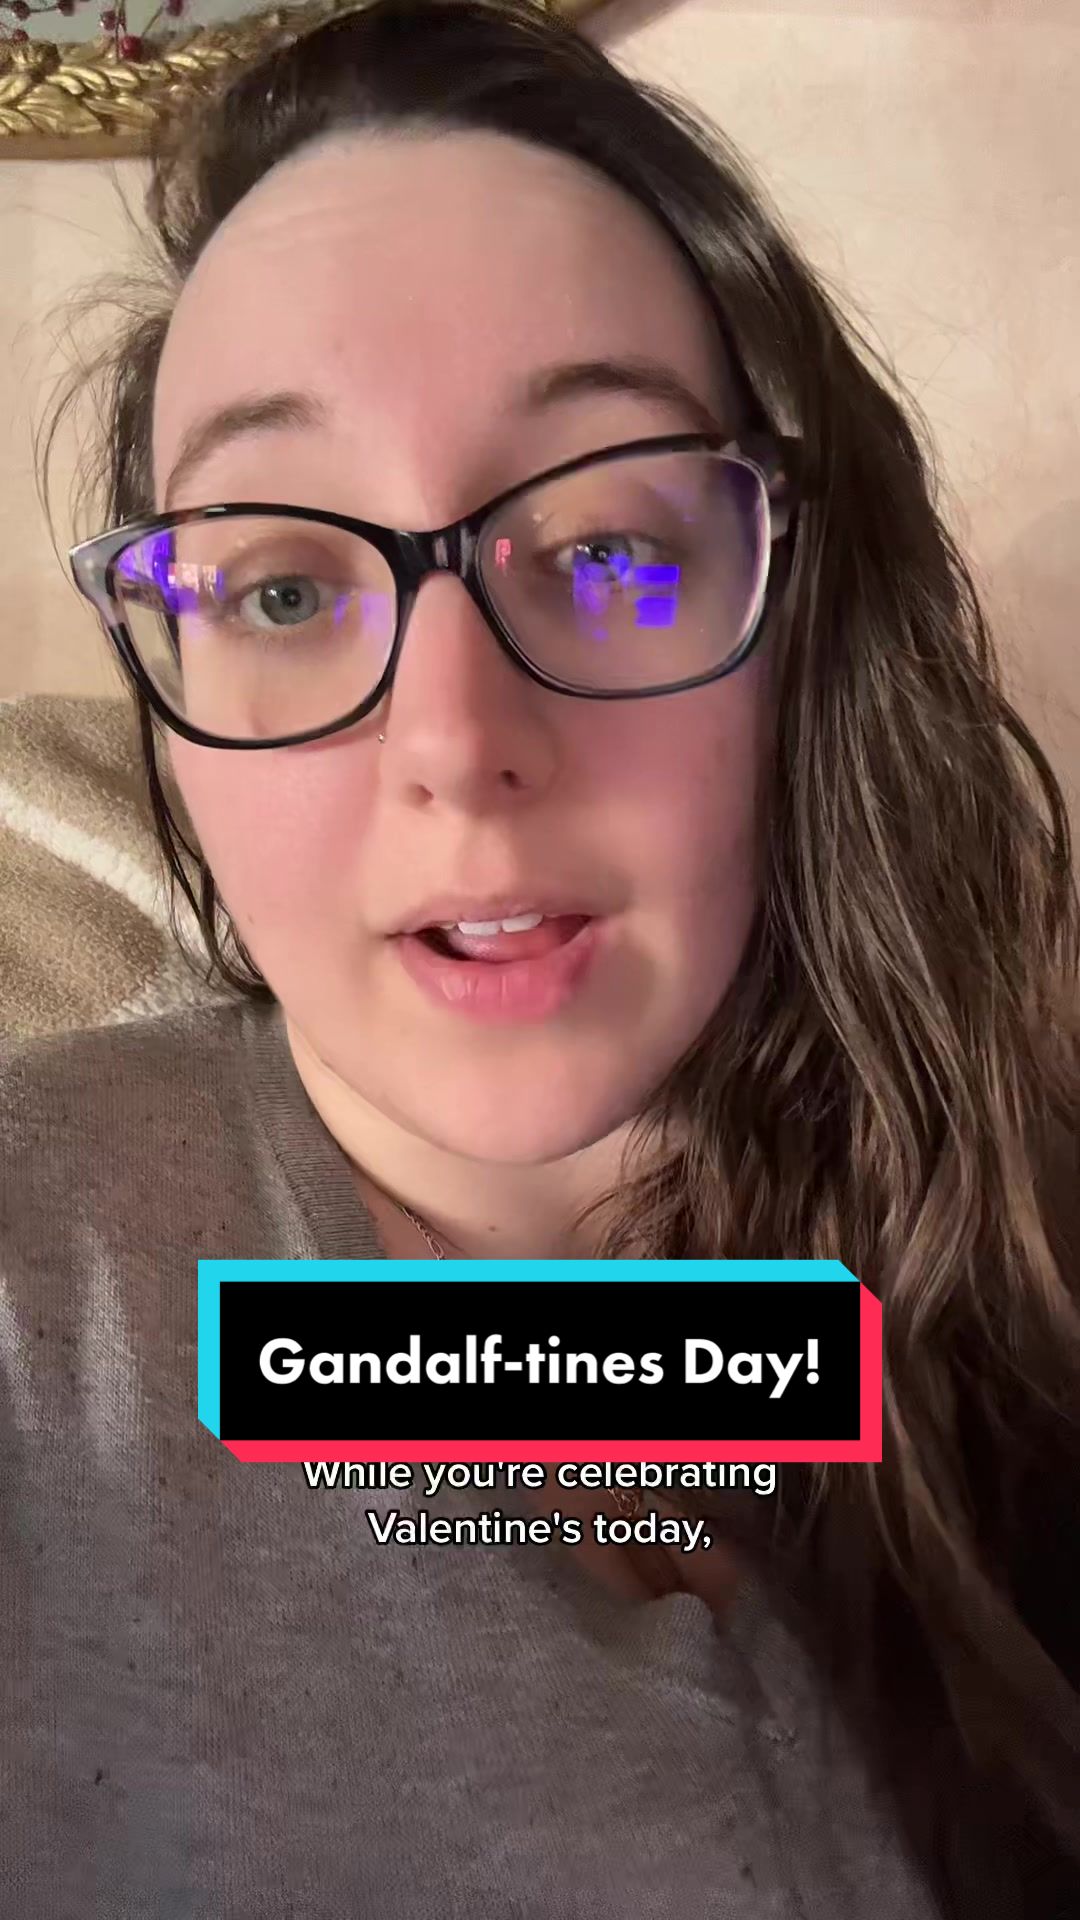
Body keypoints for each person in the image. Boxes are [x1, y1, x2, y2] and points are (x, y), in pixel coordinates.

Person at [5, 0, 1078, 1912]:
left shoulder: (1011, 1263)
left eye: (607, 552)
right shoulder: (40, 1287)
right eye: (280, 586)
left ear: (806, 625)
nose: (452, 740)